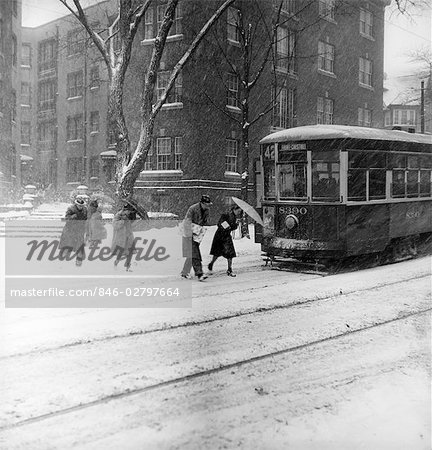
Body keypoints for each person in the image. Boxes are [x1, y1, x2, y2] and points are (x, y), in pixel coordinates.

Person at [181, 195, 212, 281]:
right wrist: (190, 232)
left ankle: (184, 272)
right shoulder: (193, 208)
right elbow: (187, 221)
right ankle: (199, 273)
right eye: (206, 204)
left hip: (197, 233)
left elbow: (205, 221)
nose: (207, 206)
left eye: (208, 204)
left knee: (192, 254)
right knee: (195, 253)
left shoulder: (207, 210)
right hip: (189, 233)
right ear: (202, 203)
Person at [208, 204, 243, 277]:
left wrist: (236, 225)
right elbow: (220, 223)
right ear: (234, 209)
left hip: (227, 236)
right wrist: (229, 227)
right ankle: (211, 263)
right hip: (220, 236)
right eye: (238, 211)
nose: (239, 213)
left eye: (240, 212)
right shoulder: (226, 215)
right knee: (217, 253)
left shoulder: (235, 217)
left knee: (230, 254)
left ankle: (229, 269)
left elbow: (232, 227)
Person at [59, 197, 88, 266]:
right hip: (70, 230)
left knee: (80, 246)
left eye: (82, 206)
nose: (80, 207)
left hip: (80, 230)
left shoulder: (85, 210)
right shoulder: (71, 209)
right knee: (67, 245)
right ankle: (61, 260)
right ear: (76, 204)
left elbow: (87, 219)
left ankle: (79, 261)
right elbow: (67, 218)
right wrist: (72, 217)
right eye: (79, 205)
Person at [111, 203, 137, 271]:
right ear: (125, 210)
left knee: (129, 253)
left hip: (128, 237)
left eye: (129, 211)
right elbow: (114, 225)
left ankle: (128, 267)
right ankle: (115, 264)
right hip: (121, 238)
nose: (129, 213)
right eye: (128, 211)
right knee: (120, 253)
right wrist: (122, 221)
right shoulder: (118, 215)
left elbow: (131, 225)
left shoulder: (128, 216)